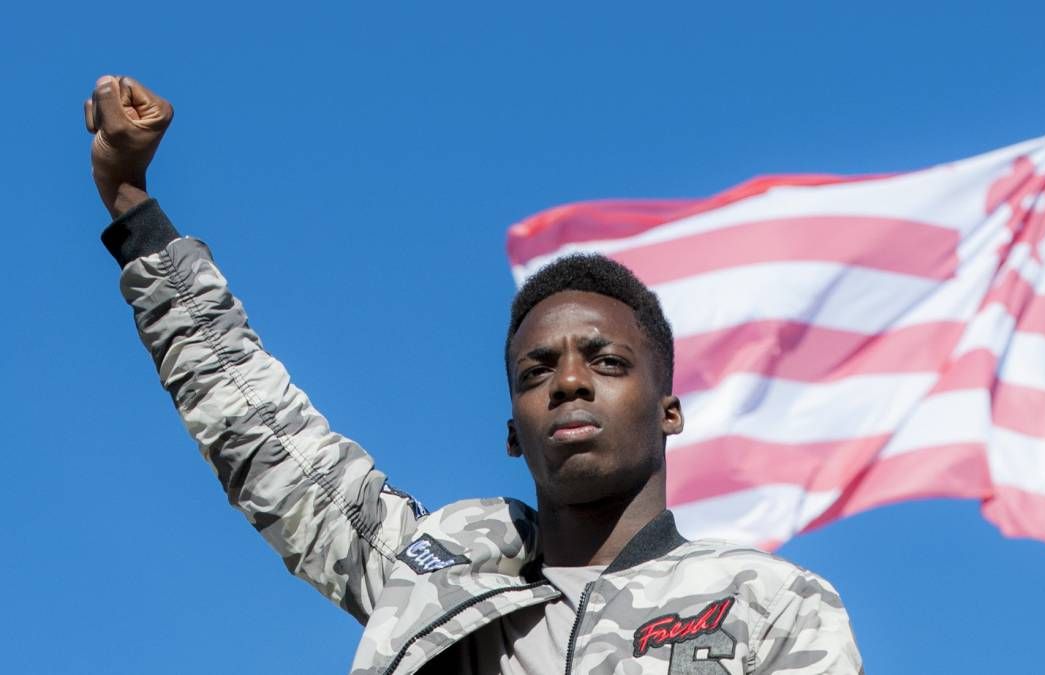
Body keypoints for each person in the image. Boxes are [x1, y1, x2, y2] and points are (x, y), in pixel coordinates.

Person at [86, 74, 864, 675]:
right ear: (511, 433)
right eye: (537, 370)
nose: (568, 381)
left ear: (668, 410)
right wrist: (133, 207)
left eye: (607, 360)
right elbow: (267, 435)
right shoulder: (432, 574)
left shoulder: (769, 603)